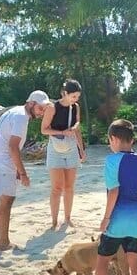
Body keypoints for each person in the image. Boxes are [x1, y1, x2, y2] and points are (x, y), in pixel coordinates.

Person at [81, 119, 137, 275]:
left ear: (113, 139)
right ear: (132, 139)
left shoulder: (112, 160)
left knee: (103, 260)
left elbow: (114, 191)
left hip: (117, 218)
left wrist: (106, 218)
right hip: (135, 217)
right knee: (134, 261)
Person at [0, 90, 52, 251]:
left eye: (43, 110)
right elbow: (13, 147)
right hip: (3, 163)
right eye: (40, 109)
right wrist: (23, 173)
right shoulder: (21, 117)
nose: (41, 113)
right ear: (31, 103)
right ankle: (4, 242)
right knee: (7, 201)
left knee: (5, 200)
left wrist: (16, 168)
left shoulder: (15, 112)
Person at [41, 79, 86, 229]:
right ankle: (54, 221)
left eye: (77, 96)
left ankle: (68, 218)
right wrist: (62, 132)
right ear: (65, 93)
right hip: (55, 148)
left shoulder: (75, 107)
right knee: (57, 187)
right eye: (73, 96)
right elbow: (44, 130)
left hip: (71, 148)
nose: (75, 99)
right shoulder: (52, 108)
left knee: (69, 187)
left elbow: (77, 128)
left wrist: (81, 150)